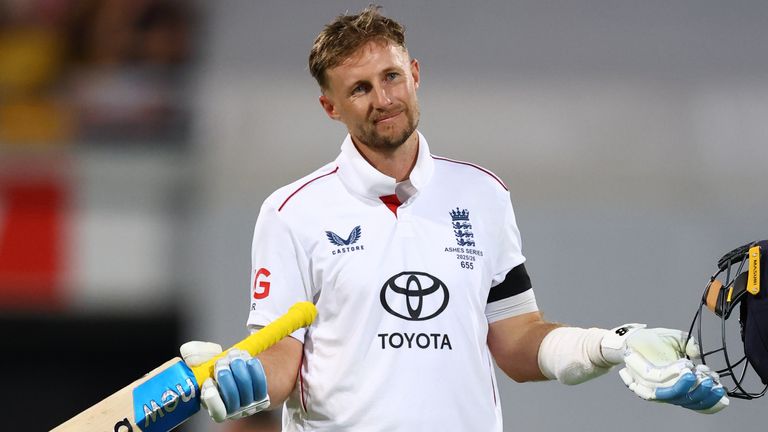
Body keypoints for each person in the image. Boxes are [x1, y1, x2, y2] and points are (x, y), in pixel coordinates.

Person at [180, 5, 728, 431]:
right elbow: (281, 362)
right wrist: (242, 387)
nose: (383, 98)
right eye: (360, 88)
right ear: (331, 107)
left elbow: (517, 342)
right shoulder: (290, 212)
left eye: (391, 77)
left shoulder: (483, 194)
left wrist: (614, 344)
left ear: (415, 74)